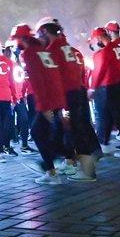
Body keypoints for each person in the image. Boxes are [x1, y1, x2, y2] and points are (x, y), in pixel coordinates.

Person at [41, 18, 99, 182]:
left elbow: (52, 77)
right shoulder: (66, 46)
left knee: (73, 131)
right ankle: (70, 162)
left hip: (66, 94)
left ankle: (87, 171)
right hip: (77, 91)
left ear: (45, 32)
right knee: (69, 130)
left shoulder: (52, 49)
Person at [13, 23, 66, 184]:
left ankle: (53, 171)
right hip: (57, 96)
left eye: (17, 39)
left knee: (37, 132)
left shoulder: (29, 54)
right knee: (51, 133)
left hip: (48, 99)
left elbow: (38, 81)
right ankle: (60, 163)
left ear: (22, 38)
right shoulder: (42, 50)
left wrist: (44, 106)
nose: (16, 43)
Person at [89, 27, 120, 157]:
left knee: (105, 116)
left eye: (93, 40)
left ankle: (114, 146)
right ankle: (119, 145)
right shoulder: (119, 48)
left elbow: (99, 71)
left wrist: (92, 88)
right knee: (116, 116)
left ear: (98, 38)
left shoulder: (101, 53)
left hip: (107, 87)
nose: (93, 43)